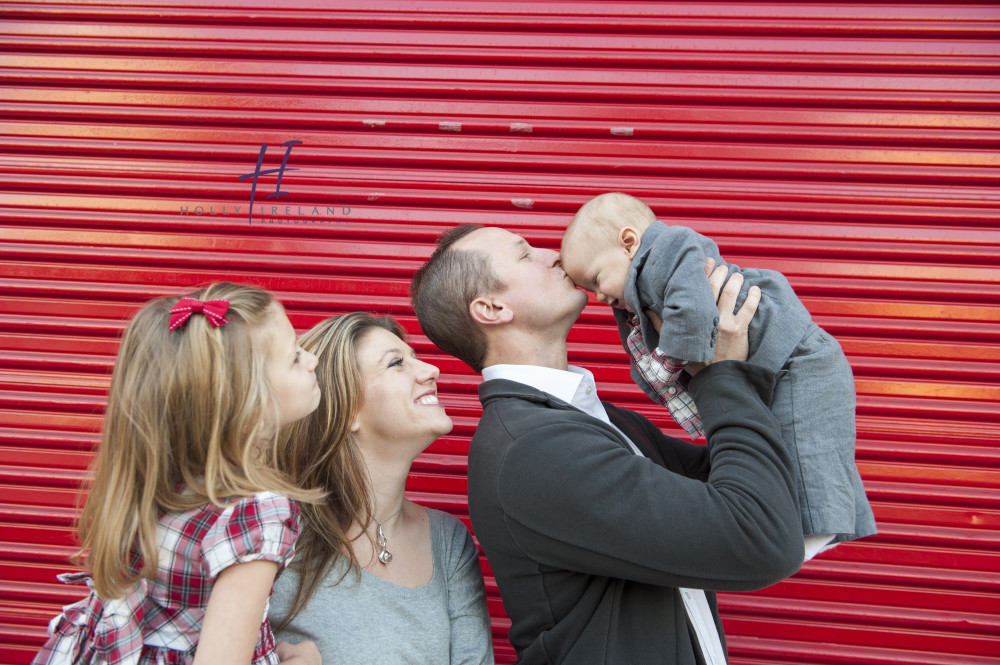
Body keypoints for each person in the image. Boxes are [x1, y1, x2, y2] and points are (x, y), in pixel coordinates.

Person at [410, 224, 806, 665]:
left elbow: (756, 482)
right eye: (525, 254)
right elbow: (761, 540)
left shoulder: (593, 420)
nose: (554, 254)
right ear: (492, 307)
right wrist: (721, 374)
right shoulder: (534, 449)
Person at [560, 192, 876, 559]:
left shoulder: (669, 250)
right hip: (777, 365)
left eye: (597, 279)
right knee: (809, 446)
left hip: (798, 359)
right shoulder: (639, 294)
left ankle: (811, 533)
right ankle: (829, 524)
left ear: (629, 243)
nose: (598, 297)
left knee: (807, 442)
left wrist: (665, 364)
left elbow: (693, 313)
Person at [32, 283, 322, 665]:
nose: (313, 359)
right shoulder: (257, 513)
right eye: (294, 357)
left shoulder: (151, 483)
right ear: (249, 405)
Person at [268, 313, 494, 665]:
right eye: (396, 363)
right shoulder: (274, 533)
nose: (430, 370)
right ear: (345, 411)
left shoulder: (448, 541)